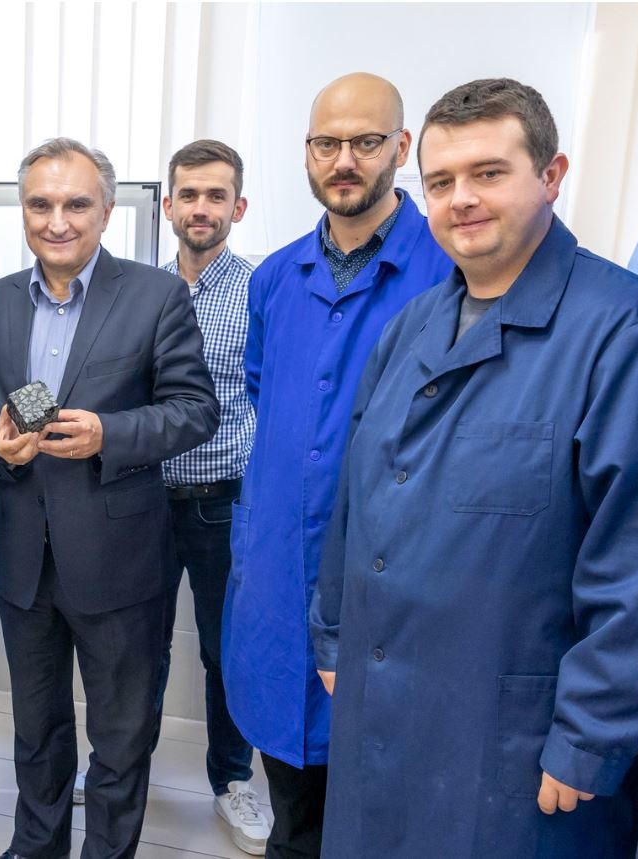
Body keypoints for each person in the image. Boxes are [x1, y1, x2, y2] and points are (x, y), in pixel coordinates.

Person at [311, 77, 638, 857]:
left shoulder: (629, 334)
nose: (461, 198)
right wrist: (332, 636)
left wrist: (590, 735)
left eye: (488, 172)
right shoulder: (411, 328)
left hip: (513, 746)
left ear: (551, 176)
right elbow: (356, 497)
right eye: (440, 181)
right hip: (383, 708)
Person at [0, 137, 219, 859]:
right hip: (22, 560)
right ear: (22, 209)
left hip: (120, 559)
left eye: (76, 204)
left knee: (121, 738)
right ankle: (36, 847)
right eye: (40, 204)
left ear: (106, 211)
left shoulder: (156, 296)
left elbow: (195, 410)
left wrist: (108, 434)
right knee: (36, 729)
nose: (57, 221)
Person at [222, 72, 452, 857]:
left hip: (395, 582)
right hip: (281, 577)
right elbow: (267, 394)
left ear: (401, 146)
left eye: (365, 141)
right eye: (327, 143)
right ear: (306, 152)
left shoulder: (448, 272)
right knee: (293, 812)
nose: (344, 160)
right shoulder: (275, 279)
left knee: (382, 810)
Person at [156, 139, 270, 854]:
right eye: (190, 195)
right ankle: (122, 763)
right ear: (169, 205)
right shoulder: (138, 290)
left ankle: (232, 779)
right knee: (132, 646)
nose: (202, 208)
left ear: (238, 206)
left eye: (216, 195)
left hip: (224, 502)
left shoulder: (262, 291)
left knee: (226, 652)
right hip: (140, 500)